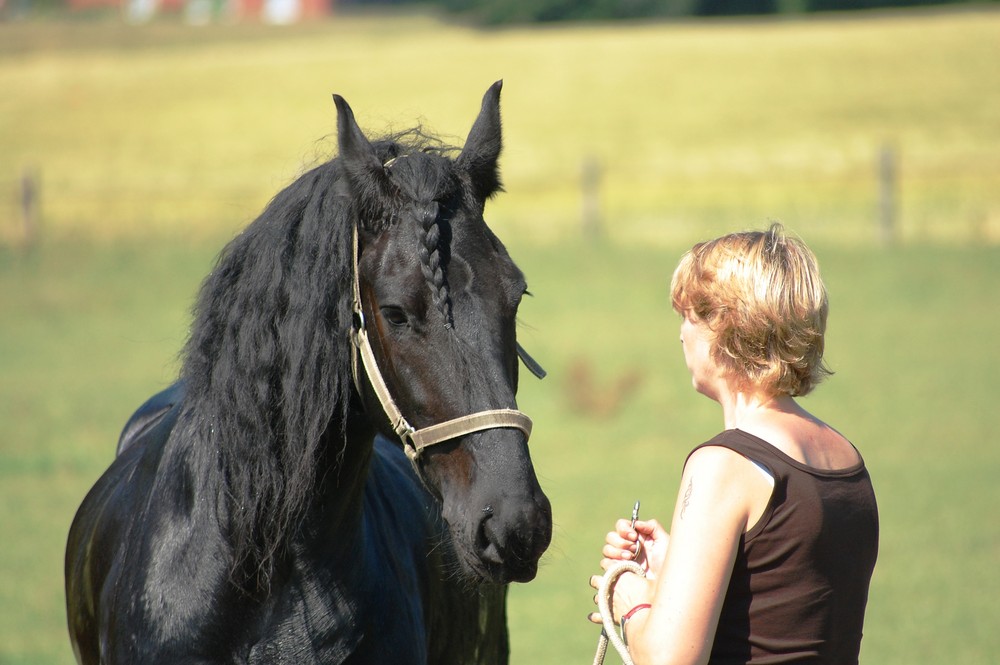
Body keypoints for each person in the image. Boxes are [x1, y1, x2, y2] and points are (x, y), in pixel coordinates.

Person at [588, 224, 878, 664]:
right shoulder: (846, 458)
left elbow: (670, 661)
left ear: (726, 327)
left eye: (690, 316)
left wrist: (632, 600)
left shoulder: (723, 465)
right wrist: (674, 570)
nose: (681, 334)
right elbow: (781, 604)